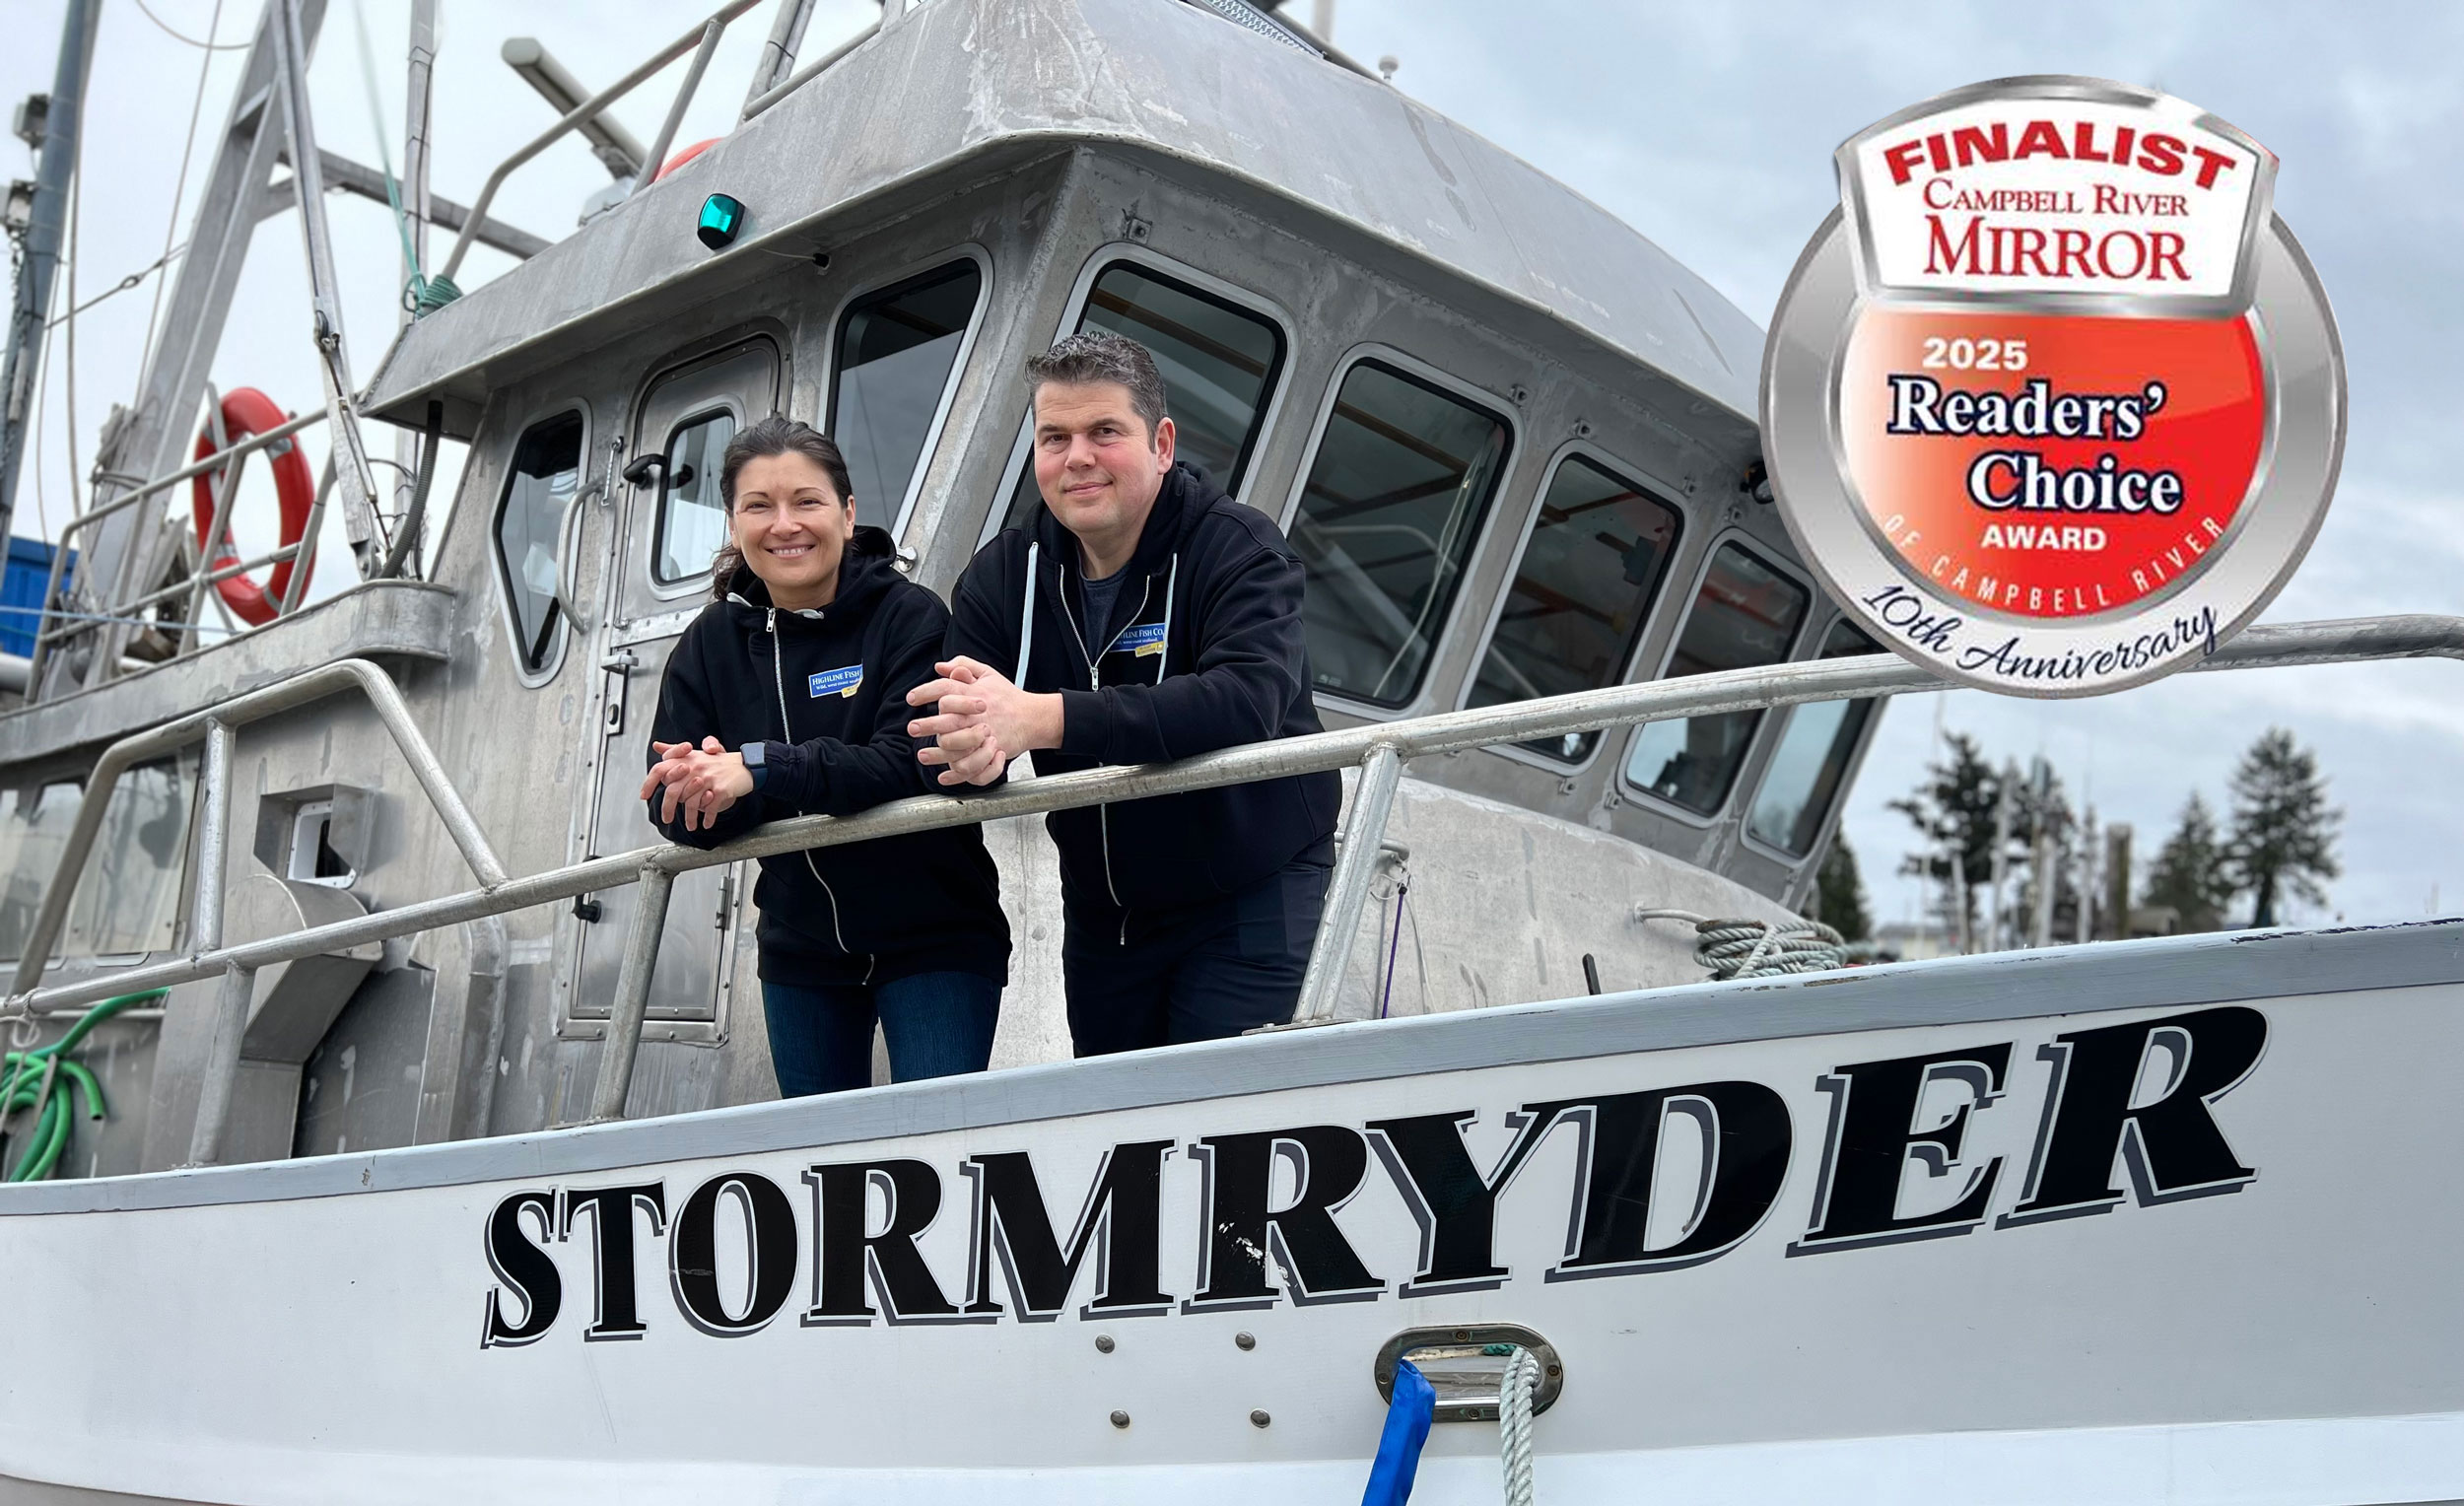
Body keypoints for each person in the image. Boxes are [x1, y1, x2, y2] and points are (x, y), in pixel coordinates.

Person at [906, 332, 1338, 1055]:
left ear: (1161, 444)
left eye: (1105, 431)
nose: (1077, 457)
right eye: (1055, 437)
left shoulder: (1238, 548)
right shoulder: (1005, 577)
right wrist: (966, 754)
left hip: (1252, 888)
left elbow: (1245, 699)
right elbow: (944, 730)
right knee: (1121, 1128)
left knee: (1220, 1122)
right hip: (1110, 908)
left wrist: (1041, 718)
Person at [641, 416, 1008, 1095]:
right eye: (759, 506)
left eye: (806, 502)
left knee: (936, 1146)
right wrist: (698, 792)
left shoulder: (909, 616)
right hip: (800, 953)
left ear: (846, 513)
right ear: (733, 523)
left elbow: (911, 762)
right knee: (825, 1170)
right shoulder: (711, 643)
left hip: (936, 941)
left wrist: (757, 768)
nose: (785, 525)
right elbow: (678, 814)